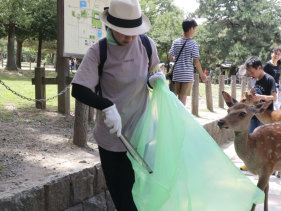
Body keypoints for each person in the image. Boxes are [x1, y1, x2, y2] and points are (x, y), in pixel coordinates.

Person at [70, 0, 165, 210]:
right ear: (110, 26)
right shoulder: (99, 51)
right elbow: (78, 89)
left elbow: (154, 70)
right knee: (123, 197)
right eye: (123, 32)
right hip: (113, 137)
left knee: (145, 193)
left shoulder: (147, 45)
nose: (130, 38)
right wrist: (105, 105)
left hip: (142, 135)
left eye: (134, 32)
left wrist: (154, 79)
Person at [239, 56, 277, 171]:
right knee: (250, 137)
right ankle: (250, 162)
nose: (251, 74)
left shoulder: (269, 79)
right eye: (249, 72)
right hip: (253, 115)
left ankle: (268, 165)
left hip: (265, 116)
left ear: (259, 68)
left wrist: (261, 97)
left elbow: (274, 98)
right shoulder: (254, 80)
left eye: (252, 72)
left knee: (264, 141)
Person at [168, 18, 208, 105]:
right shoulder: (193, 43)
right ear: (190, 28)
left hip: (177, 74)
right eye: (194, 29)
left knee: (178, 98)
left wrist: (178, 57)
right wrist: (202, 75)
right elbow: (196, 61)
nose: (195, 31)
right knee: (182, 101)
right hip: (187, 75)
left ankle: (176, 117)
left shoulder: (176, 42)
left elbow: (170, 57)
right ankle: (180, 118)